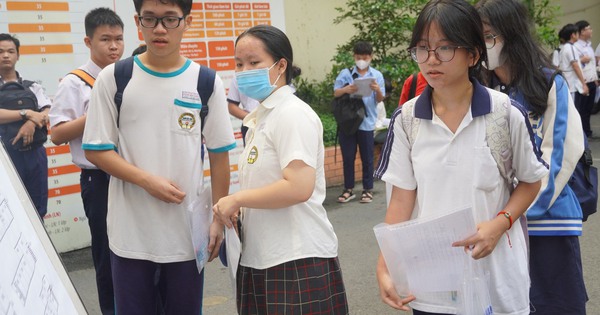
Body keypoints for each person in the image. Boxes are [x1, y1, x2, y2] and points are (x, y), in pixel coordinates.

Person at [375, 0, 548, 314]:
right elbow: (401, 198)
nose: (431, 59)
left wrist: (500, 223)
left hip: (497, 280)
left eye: (445, 48)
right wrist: (384, 266)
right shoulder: (407, 119)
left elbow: (530, 182)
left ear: (473, 54)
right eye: (422, 48)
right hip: (432, 285)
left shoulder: (504, 114)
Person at [81, 0, 235, 313]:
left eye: (170, 19)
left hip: (185, 237)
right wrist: (146, 180)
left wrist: (217, 219)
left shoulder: (206, 82)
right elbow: (96, 149)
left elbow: (219, 156)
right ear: (138, 21)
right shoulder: (114, 79)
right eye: (150, 19)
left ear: (187, 21)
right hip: (130, 235)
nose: (160, 29)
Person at [213, 25, 348, 315]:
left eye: (253, 62)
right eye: (238, 64)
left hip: (296, 259)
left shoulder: (292, 114)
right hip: (261, 256)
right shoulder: (260, 117)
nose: (244, 70)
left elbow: (298, 186)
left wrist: (237, 199)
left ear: (281, 65)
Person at [476, 0, 588, 313]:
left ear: (510, 35)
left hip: (546, 224)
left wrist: (510, 217)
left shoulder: (548, 83)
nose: (481, 45)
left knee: (552, 305)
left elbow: (560, 160)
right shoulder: (482, 90)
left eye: (487, 35)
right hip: (497, 228)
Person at [48, 8, 124, 315]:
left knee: (135, 252)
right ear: (88, 41)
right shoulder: (75, 83)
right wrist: (95, 112)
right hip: (99, 180)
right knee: (107, 255)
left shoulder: (128, 75)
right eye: (105, 39)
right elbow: (56, 133)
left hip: (131, 175)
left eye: (118, 39)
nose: (113, 46)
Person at [0, 33, 51, 219]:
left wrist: (31, 123)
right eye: (1, 51)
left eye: (10, 51)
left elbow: (47, 111)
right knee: (10, 209)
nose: (6, 55)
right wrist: (26, 113)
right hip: (5, 156)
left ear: (18, 55)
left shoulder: (32, 87)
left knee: (38, 208)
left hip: (35, 153)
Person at [334, 41, 385, 203]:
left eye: (364, 57)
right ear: (354, 56)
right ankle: (348, 189)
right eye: (358, 57)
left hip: (367, 121)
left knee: (367, 158)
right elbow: (336, 93)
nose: (361, 60)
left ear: (370, 57)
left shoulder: (376, 75)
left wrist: (377, 90)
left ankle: (367, 189)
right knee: (348, 157)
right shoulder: (345, 73)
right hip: (348, 122)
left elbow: (380, 99)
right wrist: (346, 90)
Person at [574, 20, 598, 137]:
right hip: (582, 82)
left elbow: (592, 64)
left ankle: (587, 131)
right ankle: (583, 133)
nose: (591, 30)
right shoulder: (576, 47)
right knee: (582, 108)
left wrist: (595, 79)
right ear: (582, 31)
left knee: (589, 108)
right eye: (589, 28)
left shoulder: (588, 46)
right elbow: (575, 65)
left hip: (591, 80)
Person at [227, 77, 260, 146]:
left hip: (276, 121)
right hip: (250, 125)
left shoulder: (276, 72)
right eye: (239, 65)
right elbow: (232, 107)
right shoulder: (239, 76)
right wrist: (253, 119)